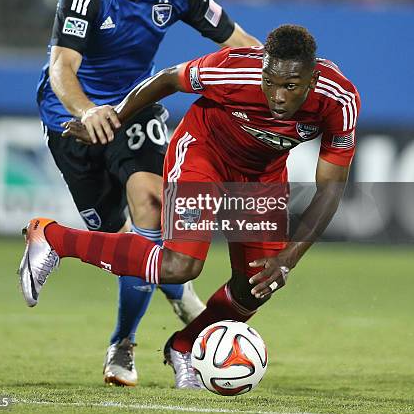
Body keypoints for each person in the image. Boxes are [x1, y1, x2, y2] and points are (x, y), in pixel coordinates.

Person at [21, 24, 360, 389]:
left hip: (261, 176)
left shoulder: (339, 100)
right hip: (204, 152)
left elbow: (330, 189)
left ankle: (183, 347)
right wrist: (116, 117)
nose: (277, 96)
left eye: (289, 87)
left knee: (259, 283)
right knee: (180, 266)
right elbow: (168, 79)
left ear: (311, 82)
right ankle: (53, 238)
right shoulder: (235, 68)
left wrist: (288, 259)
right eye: (270, 82)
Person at [35, 0, 260, 386]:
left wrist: (283, 78)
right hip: (72, 121)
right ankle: (176, 293)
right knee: (119, 240)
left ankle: (122, 346)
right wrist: (87, 109)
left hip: (134, 109)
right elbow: (61, 66)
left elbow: (240, 43)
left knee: (150, 207)